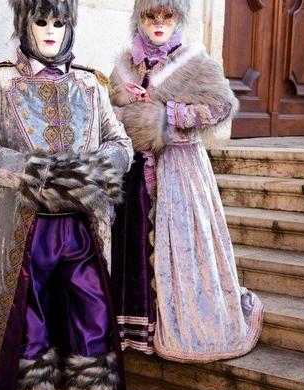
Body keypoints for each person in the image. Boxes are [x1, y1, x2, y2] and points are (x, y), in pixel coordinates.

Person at [0, 1, 133, 390]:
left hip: (83, 229)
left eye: (60, 21)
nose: (51, 30)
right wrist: (37, 174)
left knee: (93, 319)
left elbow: (120, 144)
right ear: (25, 24)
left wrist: (86, 173)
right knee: (29, 326)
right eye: (41, 21)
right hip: (27, 230)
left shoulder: (92, 86)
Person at [110, 0, 263, 363]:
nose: (159, 23)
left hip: (180, 171)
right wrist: (125, 106)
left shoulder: (194, 62)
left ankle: (183, 325)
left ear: (179, 18)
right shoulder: (124, 64)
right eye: (151, 15)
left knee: (180, 246)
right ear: (140, 19)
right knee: (132, 247)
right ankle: (136, 330)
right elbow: (107, 111)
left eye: (168, 15)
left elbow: (221, 106)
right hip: (134, 173)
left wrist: (168, 113)